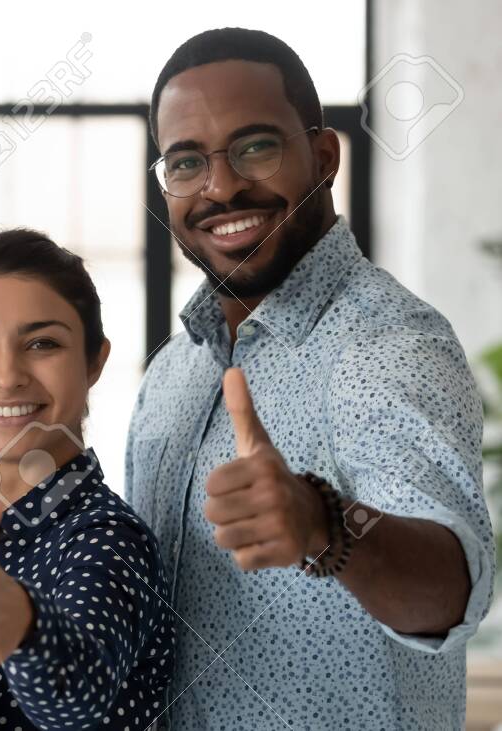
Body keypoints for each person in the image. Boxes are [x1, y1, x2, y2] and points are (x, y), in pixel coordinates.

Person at [127, 27, 493, 728]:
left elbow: (451, 592)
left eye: (256, 147)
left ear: (323, 157)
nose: (221, 186)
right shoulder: (170, 375)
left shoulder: (388, 345)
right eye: (186, 162)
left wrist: (325, 523)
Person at [0, 228, 173, 730]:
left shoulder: (106, 537)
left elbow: (82, 690)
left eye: (42, 343)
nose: (7, 376)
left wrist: (25, 626)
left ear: (94, 361)